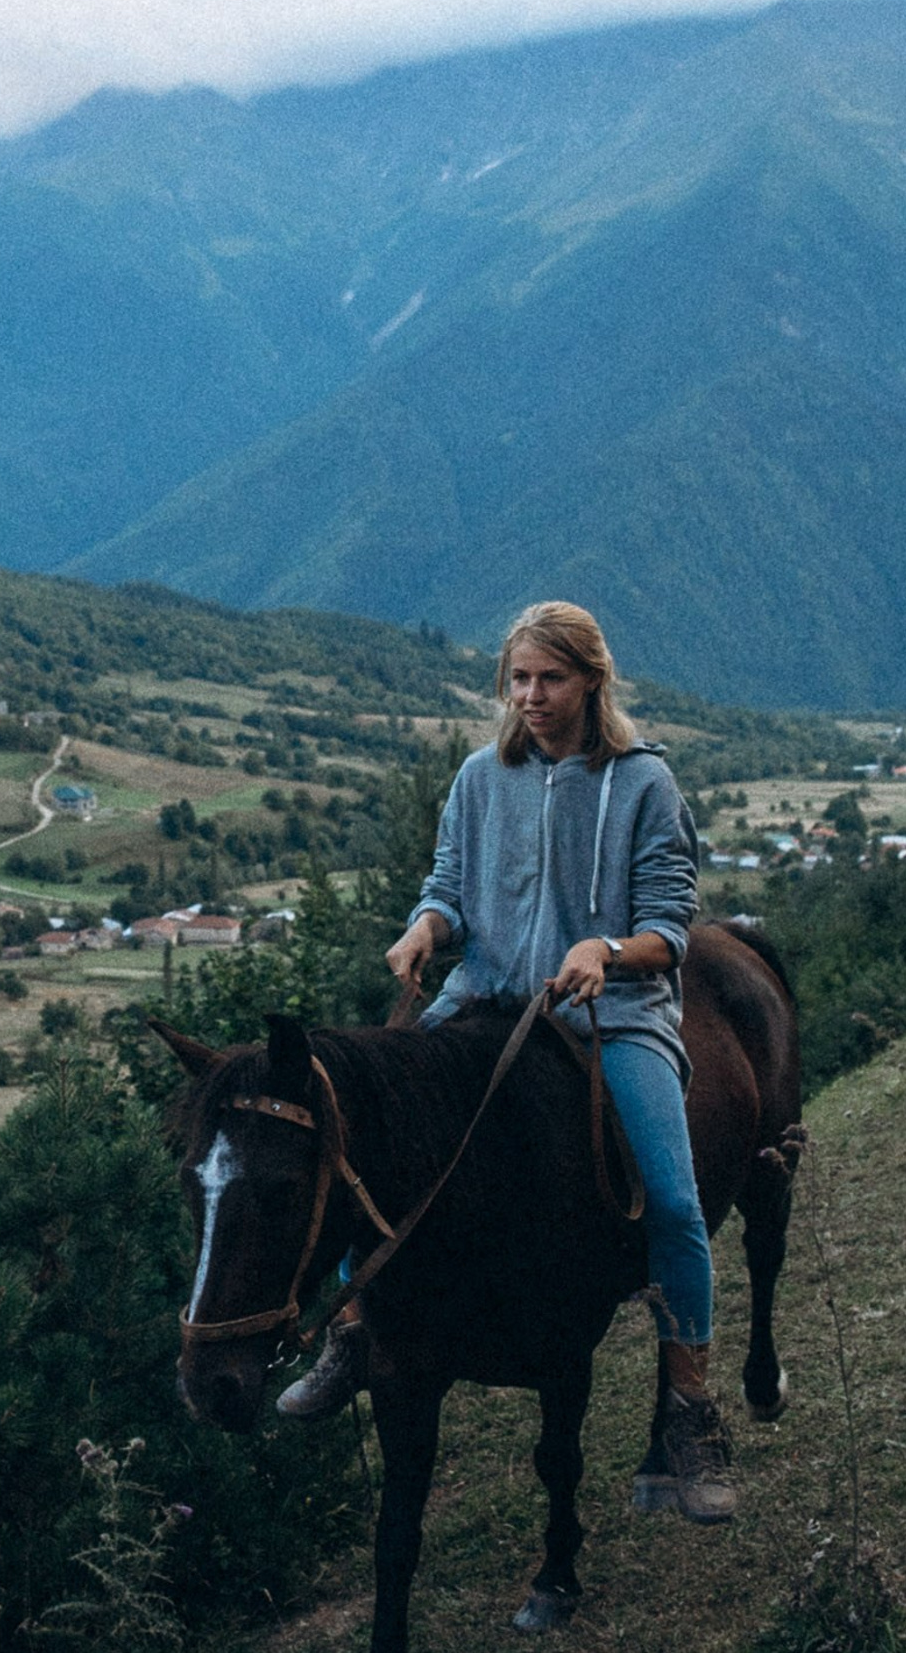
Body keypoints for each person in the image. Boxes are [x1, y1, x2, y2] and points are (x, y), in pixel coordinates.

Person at [275, 600, 735, 1523]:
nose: (530, 696)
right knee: (355, 1125)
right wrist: (425, 929)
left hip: (609, 1014)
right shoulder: (482, 777)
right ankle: (354, 1332)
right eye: (518, 679)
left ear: (591, 683)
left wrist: (605, 949)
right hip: (482, 994)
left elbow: (669, 927)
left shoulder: (646, 786)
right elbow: (447, 886)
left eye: (549, 679)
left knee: (677, 1204)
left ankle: (689, 1405)